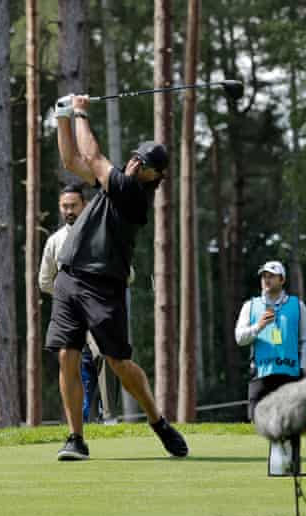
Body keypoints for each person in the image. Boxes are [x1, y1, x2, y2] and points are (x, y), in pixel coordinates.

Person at [47, 93, 188, 461]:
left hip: (102, 285)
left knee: (118, 362)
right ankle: (75, 438)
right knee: (67, 355)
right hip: (69, 279)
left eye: (145, 163)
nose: (136, 162)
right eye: (137, 156)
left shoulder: (133, 195)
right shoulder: (114, 185)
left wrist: (79, 112)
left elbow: (92, 156)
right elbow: (72, 160)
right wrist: (63, 117)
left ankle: (157, 421)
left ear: (154, 175)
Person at [38, 183, 102, 423]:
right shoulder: (54, 241)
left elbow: (128, 274)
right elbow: (45, 281)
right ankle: (80, 420)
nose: (69, 211)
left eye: (73, 205)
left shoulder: (101, 234)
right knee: (72, 362)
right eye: (64, 206)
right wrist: (69, 297)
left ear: (84, 205)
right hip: (70, 315)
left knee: (106, 359)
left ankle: (108, 416)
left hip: (101, 312)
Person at [235, 261, 306, 422]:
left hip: (290, 375)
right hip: (260, 374)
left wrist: (302, 367)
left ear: (282, 280)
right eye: (264, 276)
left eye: (271, 276)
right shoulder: (250, 306)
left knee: (290, 426)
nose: (266, 280)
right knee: (256, 425)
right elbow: (240, 338)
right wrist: (259, 326)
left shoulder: (298, 305)